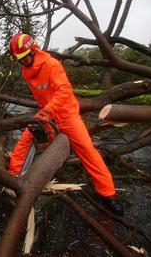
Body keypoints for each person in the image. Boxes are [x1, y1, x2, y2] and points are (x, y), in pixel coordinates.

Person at [7, 33, 123, 216]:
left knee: (87, 150)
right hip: (46, 113)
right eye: (19, 60)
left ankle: (108, 194)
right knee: (25, 140)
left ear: (33, 50)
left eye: (24, 58)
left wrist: (48, 111)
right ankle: (13, 180)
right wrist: (44, 116)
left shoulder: (52, 65)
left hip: (65, 113)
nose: (22, 62)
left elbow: (64, 90)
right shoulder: (26, 70)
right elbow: (41, 96)